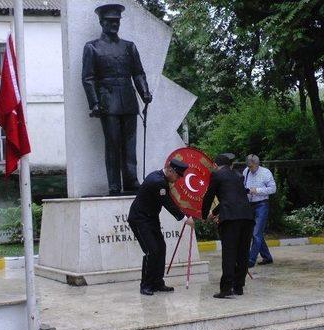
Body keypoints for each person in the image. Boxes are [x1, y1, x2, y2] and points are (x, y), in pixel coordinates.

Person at [82, 4, 152, 196]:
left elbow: (138, 73)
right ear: (101, 22)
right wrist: (95, 103)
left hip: (128, 100)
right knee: (113, 144)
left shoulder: (129, 47)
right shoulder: (92, 47)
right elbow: (88, 78)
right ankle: (114, 184)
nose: (114, 24)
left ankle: (131, 181)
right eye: (110, 21)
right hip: (107, 102)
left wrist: (145, 91)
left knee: (130, 144)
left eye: (117, 21)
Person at [128, 159, 194, 295]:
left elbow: (172, 201)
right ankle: (145, 285)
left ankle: (157, 282)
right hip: (140, 219)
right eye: (177, 176)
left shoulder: (162, 179)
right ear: (170, 170)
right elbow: (168, 204)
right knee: (151, 251)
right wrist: (185, 218)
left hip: (151, 218)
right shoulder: (157, 181)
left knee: (161, 248)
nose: (177, 179)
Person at [202, 153, 254, 299]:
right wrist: (215, 212)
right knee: (242, 253)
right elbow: (234, 197)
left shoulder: (217, 175)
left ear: (216, 165)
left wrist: (204, 214)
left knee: (229, 253)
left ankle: (226, 288)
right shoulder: (238, 176)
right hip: (247, 217)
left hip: (231, 219)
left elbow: (209, 196)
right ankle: (239, 287)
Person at [243, 154, 276, 268]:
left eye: (251, 166)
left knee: (256, 233)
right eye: (248, 166)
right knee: (255, 233)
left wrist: (256, 190)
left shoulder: (265, 173)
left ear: (257, 164)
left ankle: (250, 260)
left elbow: (273, 189)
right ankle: (267, 257)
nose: (250, 168)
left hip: (262, 204)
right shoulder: (246, 171)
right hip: (250, 204)